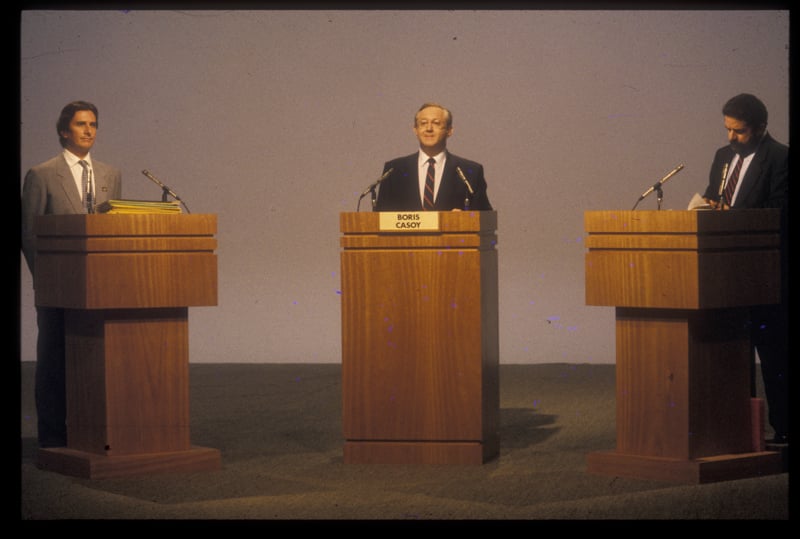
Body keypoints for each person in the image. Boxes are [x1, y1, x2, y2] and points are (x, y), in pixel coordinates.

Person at [21, 100, 122, 448]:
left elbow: (112, 232)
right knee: (54, 362)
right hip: (57, 290)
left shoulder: (109, 175)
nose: (89, 130)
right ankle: (51, 439)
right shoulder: (42, 174)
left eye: (93, 124)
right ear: (64, 131)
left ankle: (88, 434)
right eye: (81, 124)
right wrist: (48, 281)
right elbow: (29, 234)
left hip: (97, 289)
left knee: (93, 362)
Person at [701, 93, 789, 445]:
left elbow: (778, 211)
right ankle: (736, 431)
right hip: (726, 277)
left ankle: (784, 429)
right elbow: (714, 196)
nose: (730, 138)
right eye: (727, 129)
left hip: (765, 277)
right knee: (732, 355)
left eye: (739, 131)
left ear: (761, 128)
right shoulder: (722, 158)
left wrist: (731, 217)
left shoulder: (781, 158)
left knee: (774, 356)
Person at [374, 103, 492, 212]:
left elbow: (485, 216)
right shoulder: (394, 170)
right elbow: (380, 218)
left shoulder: (469, 171)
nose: (429, 129)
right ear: (415, 130)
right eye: (423, 123)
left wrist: (466, 218)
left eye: (436, 123)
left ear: (449, 130)